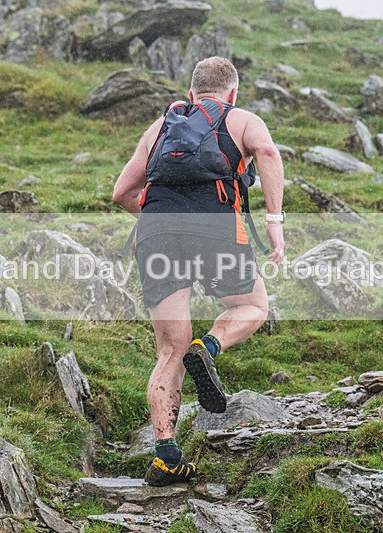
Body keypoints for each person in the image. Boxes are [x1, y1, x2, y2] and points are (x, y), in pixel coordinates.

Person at [112, 56, 285, 486]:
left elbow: (121, 193)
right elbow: (266, 151)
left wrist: (161, 222)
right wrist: (274, 223)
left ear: (190, 95)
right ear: (232, 93)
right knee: (252, 305)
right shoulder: (241, 118)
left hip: (155, 235)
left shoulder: (159, 128)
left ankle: (166, 455)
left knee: (169, 351)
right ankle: (208, 347)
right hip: (216, 226)